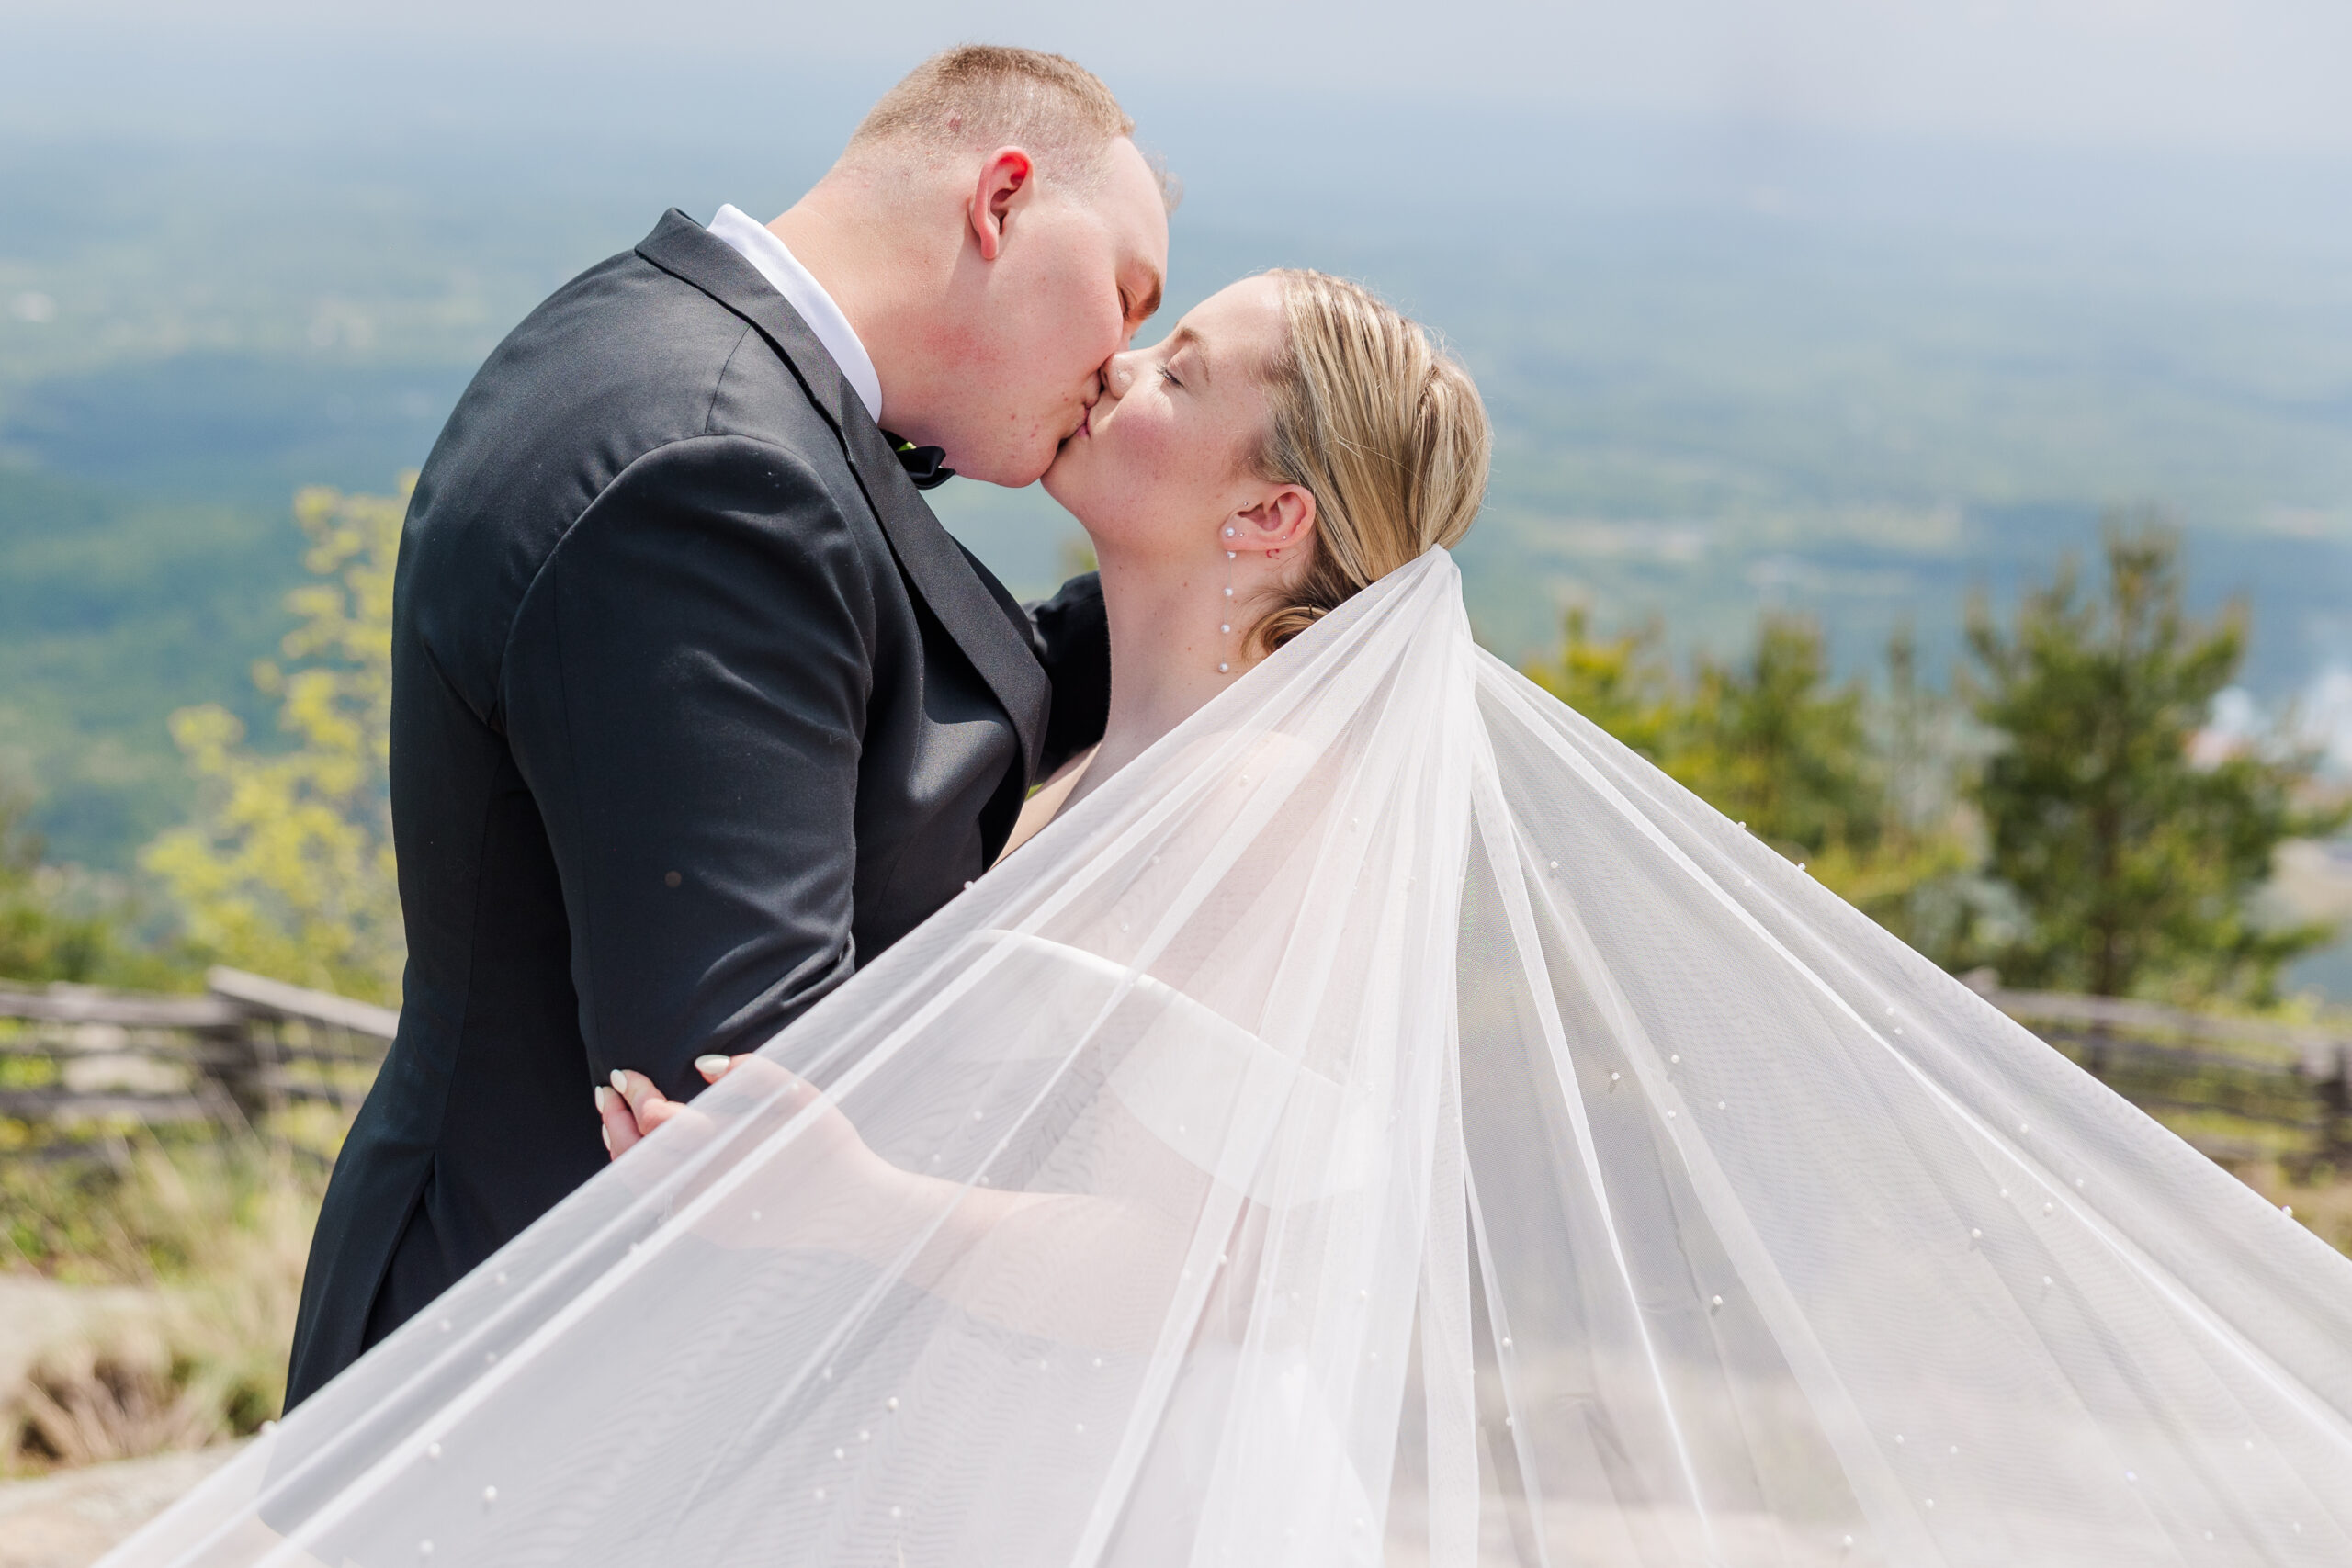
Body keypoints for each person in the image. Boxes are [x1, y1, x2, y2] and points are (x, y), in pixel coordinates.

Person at [117, 273, 2352, 1568]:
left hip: (1131, 1478)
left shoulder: (1278, 799)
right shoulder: (1086, 729)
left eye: (1180, 368)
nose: (1121, 370)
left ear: (1271, 511)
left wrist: (863, 1192)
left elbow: (1247, 1263)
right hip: (970, 1450)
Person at [282, 45, 1171, 1410]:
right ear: (1000, 203)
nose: (1122, 361)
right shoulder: (715, 472)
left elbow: (900, 714)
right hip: (559, 1390)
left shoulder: (682, 335)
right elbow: (742, 1096)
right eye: (1125, 292)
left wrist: (1227, 566)